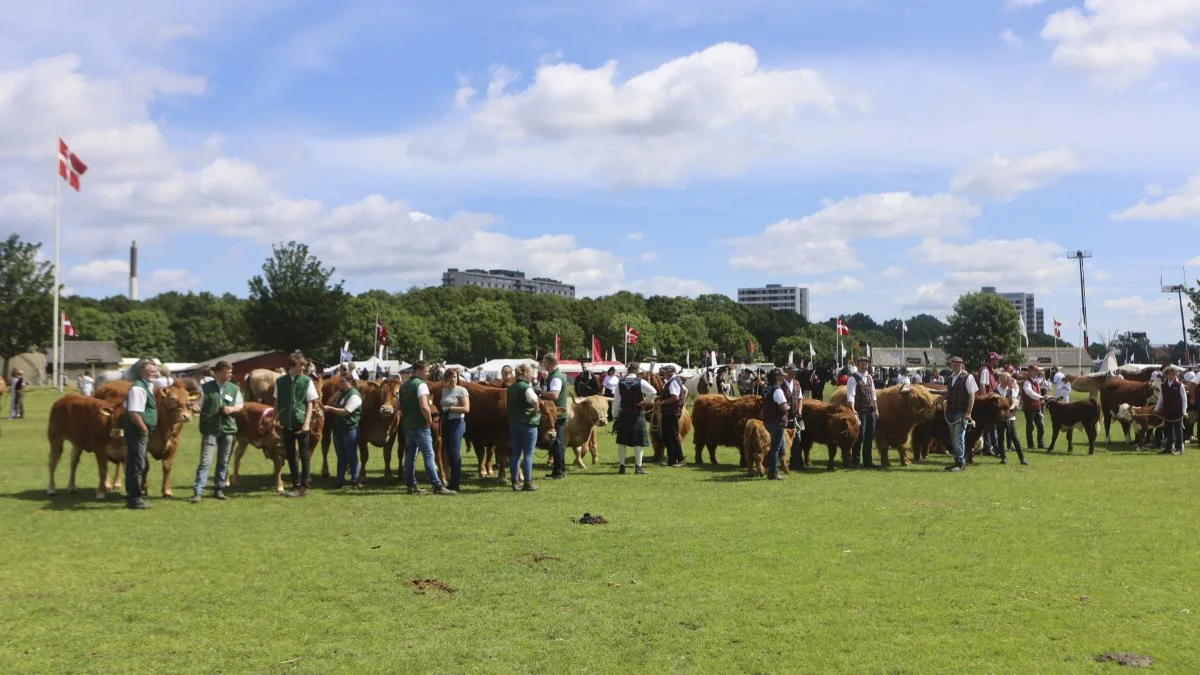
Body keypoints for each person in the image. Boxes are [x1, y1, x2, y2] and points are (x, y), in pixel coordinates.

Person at [399, 360, 454, 495]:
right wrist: (429, 420)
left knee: (410, 456)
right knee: (429, 455)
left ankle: (411, 485)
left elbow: (399, 406)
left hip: (408, 425)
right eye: (426, 370)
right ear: (418, 370)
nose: (428, 373)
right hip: (420, 425)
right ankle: (437, 485)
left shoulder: (404, 386)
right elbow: (424, 406)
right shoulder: (421, 385)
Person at [192, 360, 244, 502]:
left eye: (231, 372)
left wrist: (232, 409)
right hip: (210, 429)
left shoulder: (234, 388)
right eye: (227, 372)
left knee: (223, 461)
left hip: (228, 429)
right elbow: (198, 405)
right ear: (218, 372)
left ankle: (219, 489)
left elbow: (240, 405)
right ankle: (198, 492)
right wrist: (195, 407)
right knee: (205, 461)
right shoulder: (205, 388)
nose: (230, 374)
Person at [274, 353, 320, 498]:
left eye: (304, 365)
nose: (303, 368)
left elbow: (310, 403)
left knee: (304, 454)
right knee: (291, 455)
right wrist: (272, 420)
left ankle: (304, 485)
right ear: (292, 365)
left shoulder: (307, 381)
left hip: (301, 422)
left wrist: (306, 423)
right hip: (286, 423)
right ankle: (296, 484)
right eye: (301, 365)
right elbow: (277, 403)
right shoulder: (280, 382)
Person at [124, 359, 159, 510]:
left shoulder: (146, 386)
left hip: (141, 432)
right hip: (137, 432)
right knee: (137, 465)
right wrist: (143, 428)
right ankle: (135, 498)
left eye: (155, 370)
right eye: (151, 371)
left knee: (136, 463)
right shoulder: (138, 388)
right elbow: (133, 412)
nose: (155, 373)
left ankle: (133, 496)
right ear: (141, 372)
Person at [612, 362, 657, 474]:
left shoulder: (619, 383)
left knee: (622, 442)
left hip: (624, 414)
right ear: (637, 370)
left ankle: (622, 467)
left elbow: (616, 401)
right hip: (638, 415)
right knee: (638, 442)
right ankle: (638, 468)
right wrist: (645, 401)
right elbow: (653, 392)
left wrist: (615, 415)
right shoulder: (641, 382)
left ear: (628, 370)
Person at [324, 371, 364, 489]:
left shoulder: (354, 395)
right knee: (340, 456)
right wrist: (337, 392)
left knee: (351, 455)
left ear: (350, 381)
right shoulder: (341, 393)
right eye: (339, 381)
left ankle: (355, 480)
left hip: (350, 429)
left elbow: (347, 411)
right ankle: (340, 479)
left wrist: (330, 409)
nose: (339, 384)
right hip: (338, 429)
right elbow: (329, 402)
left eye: (342, 381)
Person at [507, 363, 541, 491]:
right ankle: (527, 482)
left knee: (515, 453)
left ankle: (515, 482)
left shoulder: (511, 388)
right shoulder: (526, 387)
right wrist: (535, 412)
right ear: (525, 373)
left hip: (513, 423)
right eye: (531, 372)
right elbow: (535, 401)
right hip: (528, 423)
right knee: (528, 454)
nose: (532, 374)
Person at [538, 355, 571, 480]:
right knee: (558, 442)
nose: (543, 364)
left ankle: (558, 472)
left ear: (550, 363)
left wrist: (540, 392)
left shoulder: (556, 377)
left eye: (544, 362)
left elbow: (554, 395)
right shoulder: (557, 375)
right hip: (557, 414)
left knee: (557, 443)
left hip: (555, 415)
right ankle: (561, 470)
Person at [944, 356, 979, 472]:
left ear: (961, 365)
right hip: (951, 412)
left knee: (958, 437)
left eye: (958, 364)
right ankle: (958, 461)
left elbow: (972, 395)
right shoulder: (950, 378)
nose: (955, 366)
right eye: (953, 364)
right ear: (951, 365)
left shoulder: (968, 377)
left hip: (961, 412)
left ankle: (960, 463)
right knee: (954, 439)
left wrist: (968, 412)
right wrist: (943, 399)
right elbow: (949, 393)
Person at [439, 368, 470, 490]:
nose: (453, 379)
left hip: (457, 423)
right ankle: (452, 480)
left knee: (455, 453)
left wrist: (450, 409)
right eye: (450, 377)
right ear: (446, 378)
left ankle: (455, 483)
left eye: (455, 377)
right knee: (448, 452)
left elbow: (466, 408)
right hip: (446, 423)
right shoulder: (444, 390)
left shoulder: (462, 390)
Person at [846, 356, 878, 469]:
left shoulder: (869, 377)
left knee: (870, 436)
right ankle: (856, 461)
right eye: (862, 363)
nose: (865, 366)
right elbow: (851, 396)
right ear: (857, 365)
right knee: (860, 436)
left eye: (866, 364)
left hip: (870, 411)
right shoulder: (853, 379)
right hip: (860, 411)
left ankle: (868, 461)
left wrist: (876, 409)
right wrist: (853, 410)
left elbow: (873, 395)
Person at [761, 368, 791, 480]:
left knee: (781, 447)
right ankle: (773, 473)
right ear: (777, 377)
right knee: (776, 448)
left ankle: (772, 469)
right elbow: (783, 407)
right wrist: (788, 407)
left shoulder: (766, 388)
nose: (783, 377)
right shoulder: (777, 390)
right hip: (777, 422)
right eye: (781, 375)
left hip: (768, 421)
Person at [654, 365, 687, 467]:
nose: (663, 375)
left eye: (664, 373)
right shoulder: (672, 381)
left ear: (669, 372)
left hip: (672, 412)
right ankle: (671, 459)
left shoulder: (673, 382)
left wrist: (662, 402)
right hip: (669, 412)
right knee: (667, 436)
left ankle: (681, 459)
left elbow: (675, 397)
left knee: (673, 436)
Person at [995, 372, 1027, 465]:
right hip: (1000, 418)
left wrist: (1011, 409)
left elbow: (1015, 401)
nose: (1011, 380)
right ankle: (1003, 458)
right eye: (1009, 378)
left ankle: (1022, 459)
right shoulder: (995, 391)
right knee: (1000, 438)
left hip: (1010, 418)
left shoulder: (1011, 390)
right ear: (1003, 380)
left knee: (1015, 438)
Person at [1155, 365, 1187, 455]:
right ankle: (1168, 449)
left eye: (1173, 374)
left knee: (1178, 431)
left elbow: (1184, 399)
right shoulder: (1163, 385)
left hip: (1177, 411)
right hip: (1167, 411)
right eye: (1169, 374)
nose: (1171, 376)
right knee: (1168, 430)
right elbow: (1161, 398)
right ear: (1166, 374)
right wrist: (1156, 409)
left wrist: (1184, 411)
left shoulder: (1180, 385)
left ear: (1176, 374)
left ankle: (1179, 449)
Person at [782, 364, 806, 471]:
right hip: (783, 418)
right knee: (782, 442)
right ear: (787, 372)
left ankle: (795, 463)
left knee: (798, 441)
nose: (795, 373)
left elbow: (800, 399)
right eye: (793, 371)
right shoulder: (780, 385)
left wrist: (800, 412)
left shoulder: (797, 383)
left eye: (795, 371)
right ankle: (781, 463)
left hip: (796, 418)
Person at [1021, 365, 1047, 449]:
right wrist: (1041, 397)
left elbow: (1041, 380)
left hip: (1037, 408)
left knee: (1041, 427)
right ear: (1029, 371)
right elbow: (1030, 392)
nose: (1036, 372)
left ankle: (1041, 444)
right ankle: (1030, 445)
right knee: (1030, 427)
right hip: (1029, 408)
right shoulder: (1027, 382)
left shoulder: (1035, 381)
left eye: (1037, 371)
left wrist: (1043, 376)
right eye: (1035, 371)